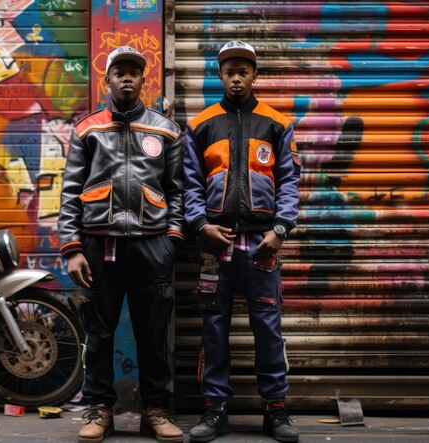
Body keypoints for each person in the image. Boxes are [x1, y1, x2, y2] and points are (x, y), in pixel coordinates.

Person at [58, 46, 185, 443]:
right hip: (99, 245)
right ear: (107, 79)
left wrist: (172, 239)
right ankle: (99, 409)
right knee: (99, 333)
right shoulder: (87, 128)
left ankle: (154, 410)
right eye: (119, 72)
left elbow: (178, 191)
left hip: (152, 245)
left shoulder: (166, 129)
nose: (127, 77)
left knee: (153, 333)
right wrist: (73, 248)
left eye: (134, 71)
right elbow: (70, 191)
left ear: (143, 79)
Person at [182, 40, 301, 443]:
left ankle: (276, 411)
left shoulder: (277, 123)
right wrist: (200, 226)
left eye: (243, 70)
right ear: (220, 74)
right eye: (229, 70)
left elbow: (289, 182)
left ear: (254, 75)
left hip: (261, 244)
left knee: (268, 328)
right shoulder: (200, 125)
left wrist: (280, 230)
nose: (236, 77)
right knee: (213, 329)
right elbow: (190, 185)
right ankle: (215, 410)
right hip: (215, 245)